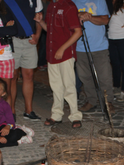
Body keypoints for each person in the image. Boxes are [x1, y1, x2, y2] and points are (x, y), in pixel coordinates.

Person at [34, 0, 83, 128]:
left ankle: (75, 115)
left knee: (69, 85)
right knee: (56, 86)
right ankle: (57, 115)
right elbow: (49, 29)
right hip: (52, 53)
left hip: (65, 54)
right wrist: (41, 22)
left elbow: (78, 31)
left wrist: (62, 48)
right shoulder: (51, 6)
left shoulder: (69, 6)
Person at [3, 0, 43, 121]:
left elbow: (39, 18)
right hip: (13, 41)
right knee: (12, 76)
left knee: (29, 75)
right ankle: (11, 110)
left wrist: (37, 35)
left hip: (29, 41)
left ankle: (28, 110)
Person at [73, 0, 115, 114]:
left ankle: (108, 102)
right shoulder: (72, 2)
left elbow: (105, 20)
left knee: (104, 76)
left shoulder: (99, 1)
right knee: (84, 76)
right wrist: (77, 15)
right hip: (80, 46)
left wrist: (89, 17)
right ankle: (91, 100)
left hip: (99, 46)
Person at [0, 78, 33, 147]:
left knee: (15, 134)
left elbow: (11, 121)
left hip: (1, 128)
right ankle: (18, 142)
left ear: (3, 93)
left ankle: (21, 130)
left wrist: (8, 126)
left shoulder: (5, 104)